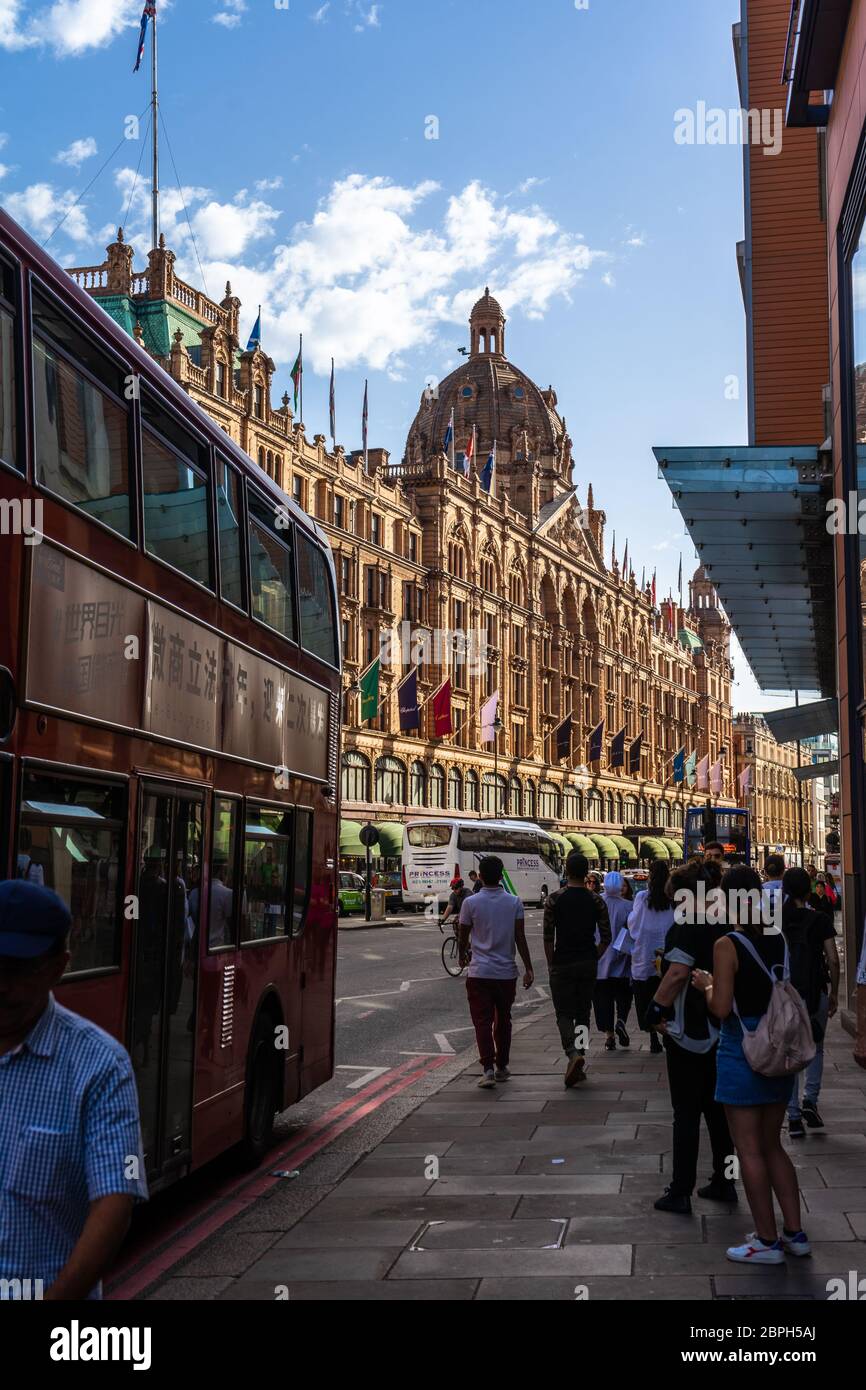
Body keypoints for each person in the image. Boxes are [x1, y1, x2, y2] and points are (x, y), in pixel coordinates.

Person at [0, 880, 148, 1299]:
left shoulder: (99, 1065)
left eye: (18, 971)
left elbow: (115, 1201)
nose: (1, 986)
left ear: (58, 967)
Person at [692, 866, 810, 1265]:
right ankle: (795, 1234)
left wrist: (706, 984)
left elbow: (721, 1007)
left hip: (742, 1049)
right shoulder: (776, 938)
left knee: (749, 1150)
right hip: (779, 1050)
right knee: (773, 1144)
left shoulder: (728, 944)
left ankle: (766, 1240)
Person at [644, 862, 736, 1214]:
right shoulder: (723, 923)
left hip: (689, 1032)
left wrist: (654, 1013)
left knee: (685, 1113)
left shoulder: (686, 927)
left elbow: (677, 973)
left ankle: (680, 1189)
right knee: (718, 1113)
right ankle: (725, 1181)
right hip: (719, 1029)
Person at [458, 857, 534, 1088]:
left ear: (479, 876)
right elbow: (520, 938)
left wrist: (462, 954)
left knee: (482, 1021)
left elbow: (463, 933)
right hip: (505, 973)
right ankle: (502, 1066)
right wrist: (528, 968)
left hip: (479, 972)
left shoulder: (470, 903)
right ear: (501, 876)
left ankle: (488, 1069)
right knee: (503, 1020)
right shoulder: (514, 902)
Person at [544, 852, 612, 1087]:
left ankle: (573, 1054)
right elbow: (606, 937)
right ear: (586, 873)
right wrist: (595, 955)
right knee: (583, 1012)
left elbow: (547, 936)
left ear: (567, 871)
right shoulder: (596, 901)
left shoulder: (554, 899)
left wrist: (551, 963)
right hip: (587, 963)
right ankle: (581, 1054)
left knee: (563, 1014)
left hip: (562, 962)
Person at [780, 867, 839, 1139]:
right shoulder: (820, 920)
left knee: (790, 1052)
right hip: (816, 991)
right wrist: (835, 992)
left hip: (787, 994)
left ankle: (792, 1117)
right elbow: (833, 959)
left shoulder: (777, 920)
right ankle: (810, 1101)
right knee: (816, 1046)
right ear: (808, 890)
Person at [628, 859, 675, 1056]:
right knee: (667, 996)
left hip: (645, 956)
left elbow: (634, 924)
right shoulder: (673, 899)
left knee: (646, 998)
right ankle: (668, 1033)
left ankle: (653, 1036)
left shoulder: (642, 897)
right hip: (667, 957)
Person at [593, 871, 633, 1050]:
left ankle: (609, 1036)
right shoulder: (629, 906)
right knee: (624, 995)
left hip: (599, 960)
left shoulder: (595, 903)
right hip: (622, 959)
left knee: (603, 1000)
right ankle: (622, 1020)